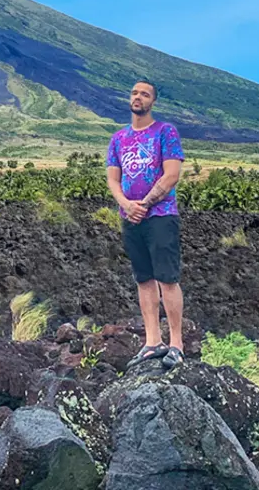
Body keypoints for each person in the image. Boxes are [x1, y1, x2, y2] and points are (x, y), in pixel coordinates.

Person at [105, 80, 187, 368]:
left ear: (153, 101)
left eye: (145, 94)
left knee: (167, 279)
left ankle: (176, 344)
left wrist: (145, 204)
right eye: (135, 93)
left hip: (161, 216)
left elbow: (171, 175)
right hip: (131, 218)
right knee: (143, 278)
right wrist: (127, 205)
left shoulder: (165, 132)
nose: (138, 97)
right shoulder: (118, 139)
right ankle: (153, 341)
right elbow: (113, 179)